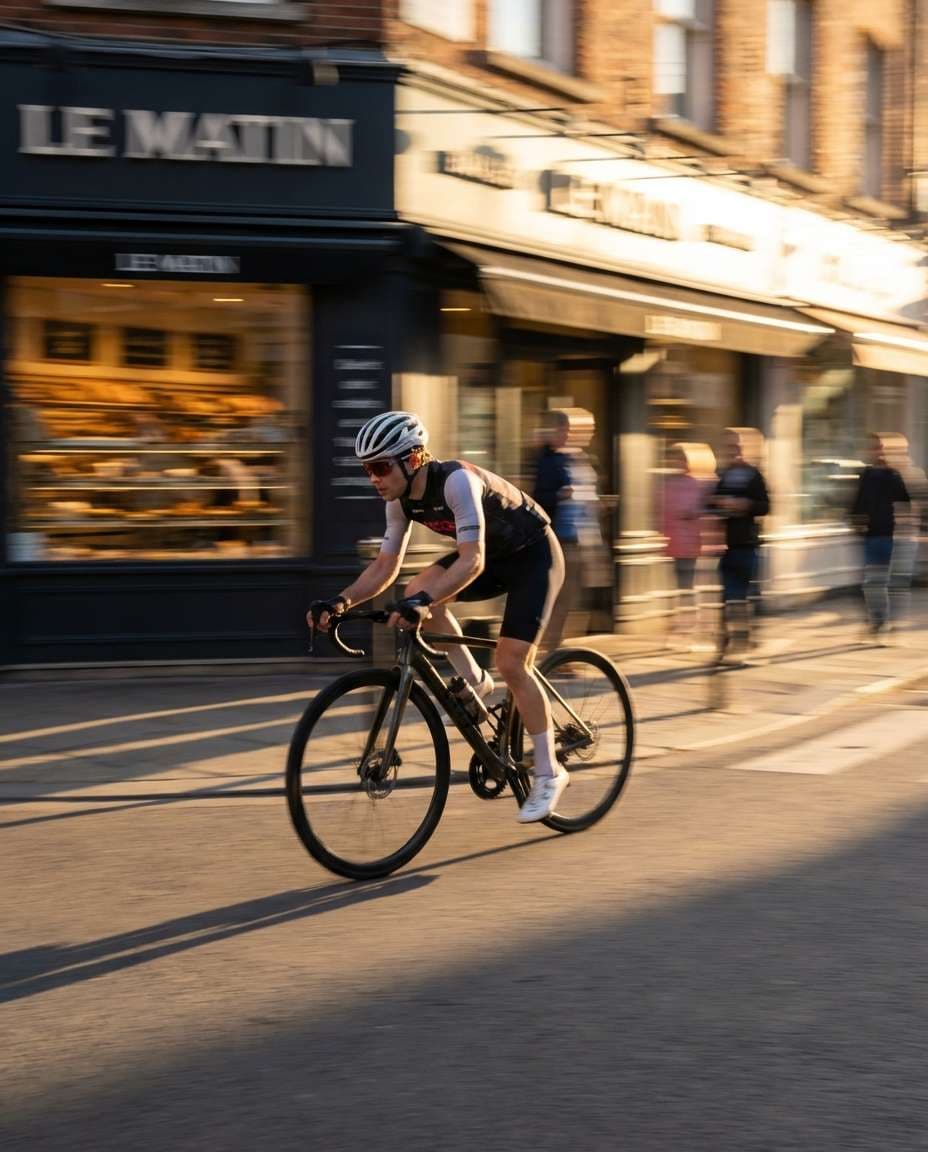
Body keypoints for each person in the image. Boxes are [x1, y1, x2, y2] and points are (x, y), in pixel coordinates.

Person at [307, 410, 568, 823]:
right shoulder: (401, 500)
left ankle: (550, 772)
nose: (373, 478)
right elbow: (385, 566)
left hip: (534, 555)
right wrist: (340, 602)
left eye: (379, 467)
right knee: (413, 589)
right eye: (366, 469)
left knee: (512, 662)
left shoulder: (456, 481)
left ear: (411, 460)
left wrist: (426, 602)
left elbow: (473, 559)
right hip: (491, 558)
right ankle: (475, 681)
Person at [532, 408, 608, 652]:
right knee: (561, 598)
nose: (587, 434)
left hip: (586, 537)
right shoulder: (549, 460)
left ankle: (559, 650)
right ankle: (551, 651)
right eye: (582, 429)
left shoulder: (582, 459)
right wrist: (560, 494)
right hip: (562, 539)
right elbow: (537, 499)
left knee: (575, 599)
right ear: (563, 430)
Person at [707, 427, 770, 659]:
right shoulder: (723, 475)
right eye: (728, 446)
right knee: (727, 599)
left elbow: (765, 506)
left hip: (748, 545)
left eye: (737, 445)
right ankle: (726, 644)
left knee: (742, 599)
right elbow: (711, 504)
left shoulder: (754, 475)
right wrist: (717, 503)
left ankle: (742, 642)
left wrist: (745, 505)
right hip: (727, 546)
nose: (732, 450)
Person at [850, 433, 911, 639]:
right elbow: (856, 503)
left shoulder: (892, 475)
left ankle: (881, 622)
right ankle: (876, 621)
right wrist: (855, 522)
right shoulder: (865, 475)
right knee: (869, 583)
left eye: (881, 448)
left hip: (886, 535)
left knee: (878, 582)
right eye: (874, 448)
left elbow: (906, 501)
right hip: (868, 535)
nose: (878, 452)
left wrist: (904, 526)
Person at [660, 442, 715, 647]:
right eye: (675, 458)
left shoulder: (698, 484)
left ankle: (688, 629)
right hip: (674, 543)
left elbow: (705, 512)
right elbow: (663, 514)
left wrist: (692, 515)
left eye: (681, 458)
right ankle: (683, 629)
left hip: (692, 544)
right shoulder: (669, 484)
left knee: (687, 588)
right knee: (681, 588)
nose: (677, 462)